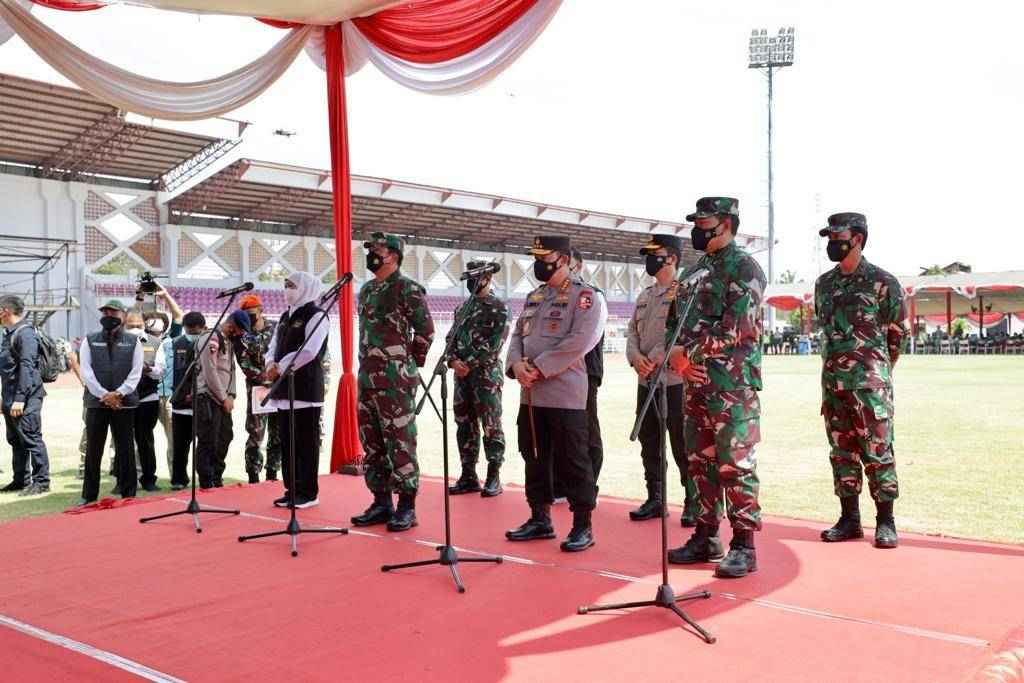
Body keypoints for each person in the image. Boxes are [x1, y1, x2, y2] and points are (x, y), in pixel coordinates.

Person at [666, 197, 766, 579]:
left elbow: (736, 327)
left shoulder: (745, 268)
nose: (697, 229)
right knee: (700, 463)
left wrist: (686, 353)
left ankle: (744, 545)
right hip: (696, 383)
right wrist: (676, 357)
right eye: (696, 223)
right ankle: (706, 536)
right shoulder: (694, 271)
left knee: (735, 464)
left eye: (704, 223)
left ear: (726, 223)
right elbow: (675, 322)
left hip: (732, 386)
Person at [505, 235, 607, 552]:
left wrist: (538, 367)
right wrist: (515, 366)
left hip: (565, 395)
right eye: (535, 257)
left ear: (562, 259)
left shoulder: (585, 296)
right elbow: (517, 336)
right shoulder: (534, 296)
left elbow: (580, 340)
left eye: (544, 257)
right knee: (534, 457)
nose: (538, 263)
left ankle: (582, 525)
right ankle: (540, 518)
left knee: (573, 461)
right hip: (532, 395)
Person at [815, 212, 907, 549]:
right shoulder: (823, 284)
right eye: (829, 238)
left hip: (870, 384)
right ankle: (849, 519)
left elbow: (897, 334)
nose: (831, 243)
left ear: (857, 238)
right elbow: (826, 331)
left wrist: (879, 371)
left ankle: (886, 521)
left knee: (878, 452)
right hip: (834, 384)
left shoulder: (883, 282)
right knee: (841, 453)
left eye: (837, 237)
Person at [350, 233, 435, 531]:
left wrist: (407, 364)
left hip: (395, 380)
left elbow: (425, 332)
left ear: (394, 255)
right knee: (372, 443)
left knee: (399, 442)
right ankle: (381, 502)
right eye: (370, 249)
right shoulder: (367, 290)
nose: (372, 254)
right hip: (367, 378)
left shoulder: (407, 288)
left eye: (378, 249)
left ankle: (407, 506)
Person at [625, 234, 700, 525]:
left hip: (674, 381)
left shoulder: (685, 292)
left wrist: (656, 357)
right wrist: (636, 358)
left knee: (683, 444)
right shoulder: (645, 295)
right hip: (646, 381)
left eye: (655, 254)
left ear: (672, 258)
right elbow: (633, 332)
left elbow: (682, 331)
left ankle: (693, 501)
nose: (650, 260)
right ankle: (656, 498)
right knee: (650, 442)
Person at [264, 272, 332, 509]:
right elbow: (273, 345)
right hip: (284, 389)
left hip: (305, 388)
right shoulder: (285, 316)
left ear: (306, 288)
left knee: (306, 443)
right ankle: (292, 489)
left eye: (292, 285)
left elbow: (309, 350)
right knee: (288, 442)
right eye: (286, 285)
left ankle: (308, 493)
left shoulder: (317, 315)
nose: (287, 289)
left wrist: (280, 367)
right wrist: (269, 364)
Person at [446, 260, 510, 498]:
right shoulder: (462, 308)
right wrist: (453, 361)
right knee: (465, 425)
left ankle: (494, 475)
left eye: (477, 277)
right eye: (470, 278)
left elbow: (495, 345)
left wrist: (468, 364)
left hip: (486, 377)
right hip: (462, 378)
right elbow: (450, 339)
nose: (472, 282)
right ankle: (468, 475)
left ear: (488, 278)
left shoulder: (499, 308)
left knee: (491, 426)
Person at [78, 299, 143, 505]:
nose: (108, 316)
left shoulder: (134, 341)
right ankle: (89, 495)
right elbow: (86, 372)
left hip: (124, 403)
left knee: (126, 449)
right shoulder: (89, 340)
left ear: (123, 316)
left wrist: (119, 393)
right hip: (97, 403)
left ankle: (129, 493)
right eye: (105, 312)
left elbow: (136, 373)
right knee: (93, 449)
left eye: (113, 312)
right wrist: (105, 395)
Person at [0, 295, 50, 496]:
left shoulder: (26, 334)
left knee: (31, 437)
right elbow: (8, 370)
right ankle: (20, 479)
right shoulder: (9, 333)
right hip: (10, 395)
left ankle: (42, 481)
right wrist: (5, 398)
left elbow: (27, 367)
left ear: (5, 311)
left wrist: (20, 399)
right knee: (15, 439)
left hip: (27, 396)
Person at [194, 310, 247, 489]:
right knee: (208, 440)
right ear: (231, 326)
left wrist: (231, 395)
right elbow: (210, 371)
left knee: (225, 437)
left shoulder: (228, 342)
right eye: (239, 331)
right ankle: (206, 481)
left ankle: (217, 477)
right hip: (208, 397)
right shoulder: (211, 338)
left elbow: (231, 372)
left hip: (223, 399)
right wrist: (224, 397)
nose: (240, 335)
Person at [234, 294, 282, 483]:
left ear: (261, 310)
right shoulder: (241, 334)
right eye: (245, 314)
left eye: (252, 313)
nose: (249, 317)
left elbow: (282, 353)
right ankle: (253, 474)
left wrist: (276, 376)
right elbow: (244, 362)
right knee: (255, 433)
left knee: (278, 432)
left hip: (278, 387)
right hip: (257, 389)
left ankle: (273, 471)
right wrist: (264, 378)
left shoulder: (277, 328)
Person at [120, 311, 163, 493]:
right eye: (131, 326)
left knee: (145, 440)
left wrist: (148, 369)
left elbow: (161, 370)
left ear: (144, 325)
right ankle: (123, 480)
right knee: (123, 441)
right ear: (124, 326)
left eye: (138, 326)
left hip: (147, 398)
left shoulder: (155, 343)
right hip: (124, 398)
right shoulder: (118, 341)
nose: (135, 329)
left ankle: (149, 479)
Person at [164, 312, 206, 490]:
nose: (192, 334)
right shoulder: (174, 344)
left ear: (203, 328)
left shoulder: (209, 343)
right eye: (189, 330)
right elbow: (168, 371)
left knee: (205, 444)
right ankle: (178, 479)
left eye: (196, 331)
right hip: (180, 405)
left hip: (203, 404)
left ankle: (206, 478)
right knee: (180, 446)